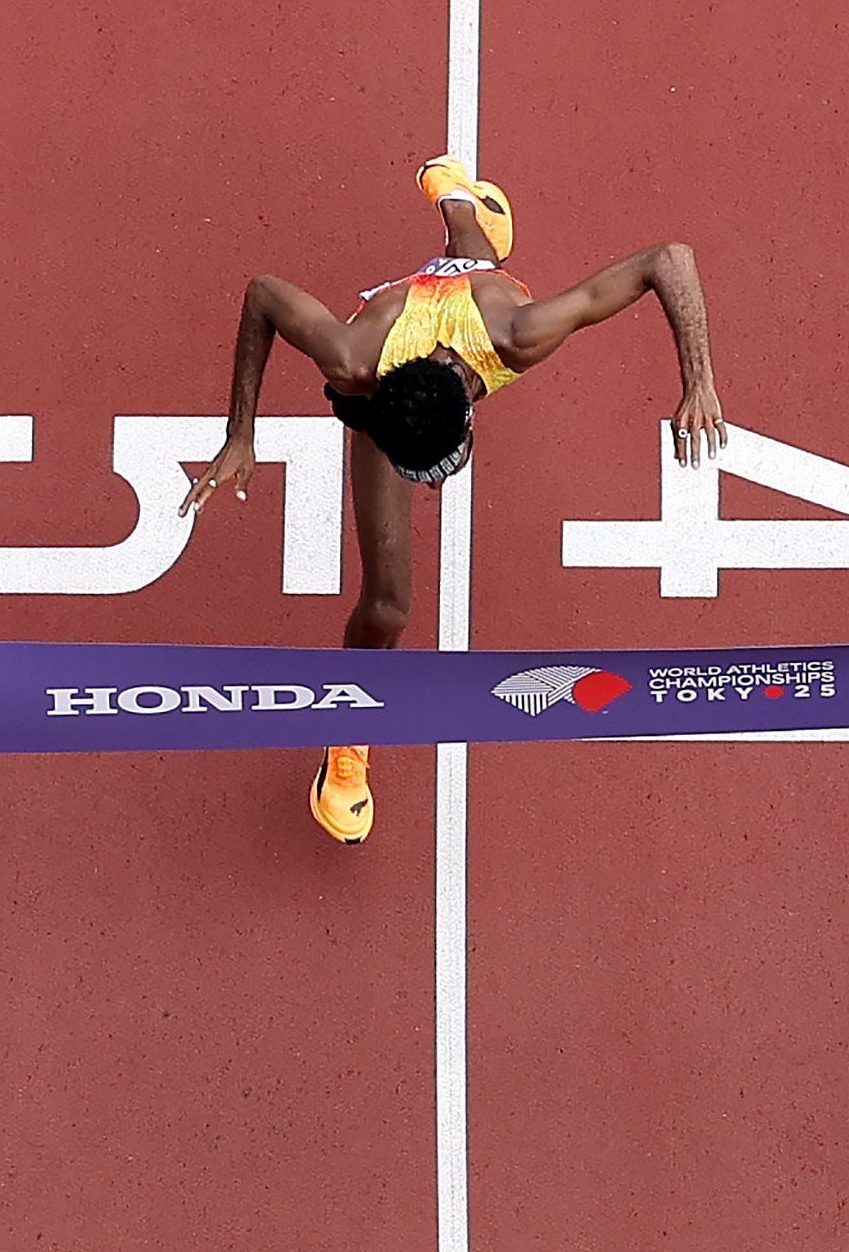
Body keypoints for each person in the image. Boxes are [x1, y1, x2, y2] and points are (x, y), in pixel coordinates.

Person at [182, 155, 725, 844]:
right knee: (387, 603)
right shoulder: (355, 363)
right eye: (427, 475)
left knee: (478, 273)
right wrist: (240, 432)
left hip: (472, 311)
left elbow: (667, 259)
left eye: (440, 469)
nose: (434, 487)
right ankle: (347, 739)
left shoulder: (517, 334)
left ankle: (458, 203)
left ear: (471, 407)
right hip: (392, 356)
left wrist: (697, 381)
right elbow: (261, 293)